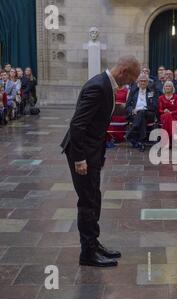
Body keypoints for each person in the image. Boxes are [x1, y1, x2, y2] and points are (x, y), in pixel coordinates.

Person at [60, 55, 141, 267]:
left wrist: (131, 110)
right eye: (132, 79)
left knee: (94, 198)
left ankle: (93, 244)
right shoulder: (99, 86)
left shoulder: (105, 84)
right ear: (123, 71)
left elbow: (102, 112)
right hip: (82, 153)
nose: (131, 83)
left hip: (92, 151)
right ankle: (87, 253)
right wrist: (79, 159)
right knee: (87, 202)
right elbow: (77, 124)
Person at [125, 74, 157, 152]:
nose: (143, 83)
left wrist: (147, 108)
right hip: (135, 114)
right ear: (138, 82)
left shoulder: (151, 91)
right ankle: (141, 141)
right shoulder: (133, 91)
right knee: (141, 116)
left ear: (147, 82)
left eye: (144, 81)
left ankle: (130, 134)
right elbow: (128, 105)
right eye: (141, 81)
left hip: (149, 113)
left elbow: (155, 105)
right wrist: (132, 110)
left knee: (142, 112)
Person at [158, 81, 177, 146]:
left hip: (174, 115)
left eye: (169, 86)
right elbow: (160, 110)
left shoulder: (176, 97)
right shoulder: (161, 98)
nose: (168, 87)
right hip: (164, 115)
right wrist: (164, 111)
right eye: (166, 86)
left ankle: (166, 140)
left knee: (169, 117)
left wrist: (171, 112)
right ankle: (172, 139)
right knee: (167, 116)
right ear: (164, 88)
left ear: (172, 88)